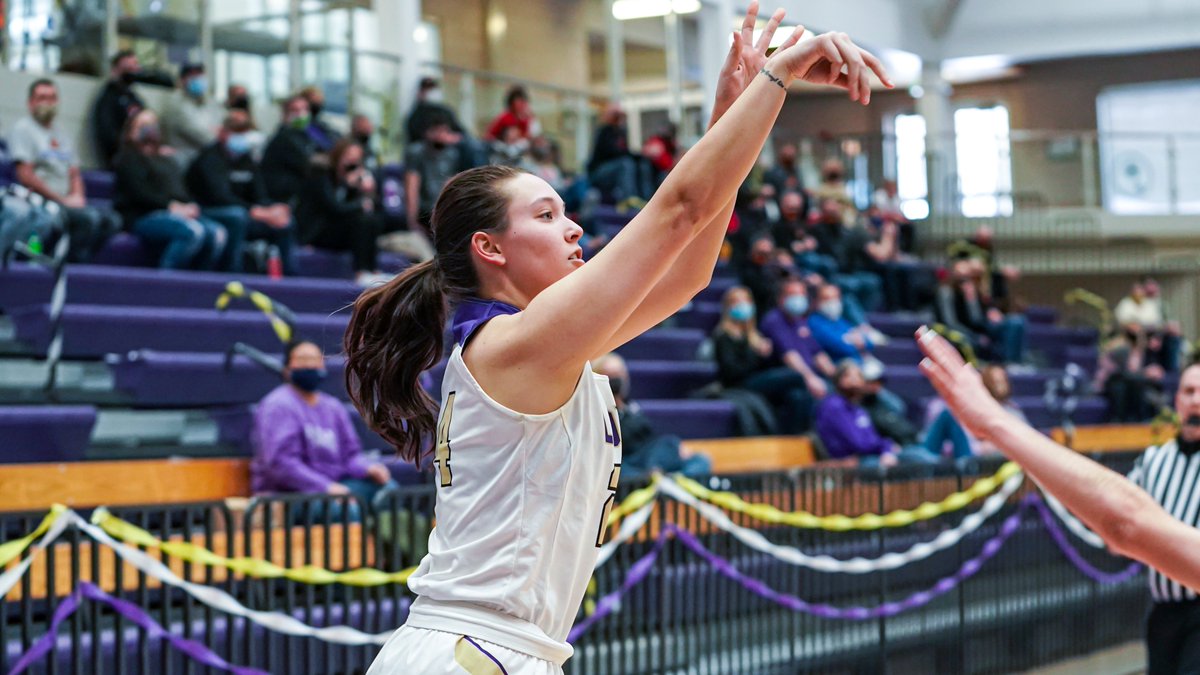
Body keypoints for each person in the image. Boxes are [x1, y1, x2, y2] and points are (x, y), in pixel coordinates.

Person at [349, 9, 890, 672]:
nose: (573, 227)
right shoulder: (512, 345)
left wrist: (735, 106)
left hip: (498, 649)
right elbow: (678, 210)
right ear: (489, 248)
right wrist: (781, 74)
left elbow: (691, 268)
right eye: (547, 215)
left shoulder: (538, 344)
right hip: (470, 650)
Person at [917, 327, 1200, 674]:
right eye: (1189, 391)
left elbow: (1125, 521)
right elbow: (1115, 523)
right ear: (1176, 399)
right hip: (1164, 608)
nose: (1196, 400)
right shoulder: (1157, 458)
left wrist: (993, 421)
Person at [251, 340, 395, 512]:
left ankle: (380, 538)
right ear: (287, 368)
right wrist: (326, 487)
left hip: (335, 485)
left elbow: (350, 454)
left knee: (388, 490)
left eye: (316, 359)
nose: (310, 364)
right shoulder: (278, 405)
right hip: (289, 494)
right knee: (344, 510)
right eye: (303, 359)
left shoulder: (333, 407)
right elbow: (282, 465)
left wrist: (368, 467)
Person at [8, 78, 120, 262]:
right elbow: (25, 175)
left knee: (112, 221)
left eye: (52, 97)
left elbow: (74, 173)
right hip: (40, 202)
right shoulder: (23, 129)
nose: (47, 102)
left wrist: (78, 197)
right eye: (42, 97)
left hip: (65, 201)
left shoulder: (62, 134)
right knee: (88, 220)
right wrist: (62, 200)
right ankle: (67, 268)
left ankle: (80, 264)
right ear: (31, 103)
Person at [186, 110, 297, 275]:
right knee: (236, 216)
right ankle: (233, 273)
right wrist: (255, 211)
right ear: (223, 133)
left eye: (244, 134)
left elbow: (259, 195)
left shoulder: (247, 160)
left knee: (285, 219)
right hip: (208, 211)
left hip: (246, 212)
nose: (241, 138)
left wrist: (273, 209)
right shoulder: (209, 159)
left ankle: (290, 279)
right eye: (236, 133)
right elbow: (219, 197)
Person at [113, 109, 226, 270]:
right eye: (143, 125)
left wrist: (188, 205)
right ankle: (166, 280)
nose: (149, 129)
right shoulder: (128, 158)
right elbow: (140, 194)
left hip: (173, 211)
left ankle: (197, 283)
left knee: (217, 233)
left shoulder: (166, 159)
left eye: (152, 125)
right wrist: (171, 207)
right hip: (143, 214)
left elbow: (179, 189)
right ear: (131, 130)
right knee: (192, 231)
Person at [712, 285, 816, 434]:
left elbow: (764, 368)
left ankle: (793, 439)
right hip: (738, 384)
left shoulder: (753, 335)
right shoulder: (723, 336)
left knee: (798, 397)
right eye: (736, 301)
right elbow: (732, 372)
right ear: (728, 307)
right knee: (796, 376)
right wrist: (757, 355)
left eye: (746, 301)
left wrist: (766, 355)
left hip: (755, 380)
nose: (743, 305)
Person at [593, 353, 711, 481]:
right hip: (628, 463)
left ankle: (667, 483)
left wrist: (673, 446)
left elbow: (650, 439)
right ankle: (665, 483)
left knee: (700, 460)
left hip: (653, 458)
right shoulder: (596, 412)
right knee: (616, 473)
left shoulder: (632, 407)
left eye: (621, 374)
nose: (618, 381)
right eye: (612, 376)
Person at [814, 360, 939, 469]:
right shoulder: (835, 406)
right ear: (839, 380)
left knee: (919, 457)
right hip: (850, 462)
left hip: (869, 456)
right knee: (900, 464)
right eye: (851, 376)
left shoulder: (857, 408)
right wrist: (885, 449)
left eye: (859, 376)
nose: (856, 380)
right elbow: (858, 443)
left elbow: (871, 437)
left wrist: (886, 448)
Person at [295, 139, 386, 286]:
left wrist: (364, 191)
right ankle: (361, 271)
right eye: (348, 157)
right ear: (338, 156)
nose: (351, 162)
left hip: (339, 230)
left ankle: (372, 270)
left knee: (372, 219)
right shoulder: (320, 174)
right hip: (316, 232)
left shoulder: (353, 179)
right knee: (360, 220)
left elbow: (370, 207)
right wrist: (349, 188)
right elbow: (334, 208)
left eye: (356, 159)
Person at [923, 363, 1025, 460]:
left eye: (1003, 381)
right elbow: (964, 439)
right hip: (971, 454)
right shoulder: (978, 407)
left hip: (994, 459)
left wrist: (995, 446)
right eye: (996, 382)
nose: (1001, 386)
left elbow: (1024, 442)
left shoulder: (1014, 410)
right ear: (987, 383)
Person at [758, 277, 835, 400]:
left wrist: (836, 376)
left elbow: (817, 353)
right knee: (801, 395)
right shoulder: (774, 320)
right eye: (793, 294)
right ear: (781, 299)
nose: (798, 299)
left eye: (801, 294)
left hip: (806, 375)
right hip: (786, 377)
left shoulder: (800, 321)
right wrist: (810, 378)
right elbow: (789, 356)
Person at [404, 120, 467, 236]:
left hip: (442, 210)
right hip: (424, 211)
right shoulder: (416, 153)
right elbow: (412, 187)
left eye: (445, 131)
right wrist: (411, 220)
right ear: (428, 133)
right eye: (437, 131)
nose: (441, 135)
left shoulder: (452, 154)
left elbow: (450, 184)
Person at [586, 103, 654, 207]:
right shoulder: (604, 131)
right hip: (598, 173)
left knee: (642, 164)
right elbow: (611, 152)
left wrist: (640, 157)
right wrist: (633, 156)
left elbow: (624, 152)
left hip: (614, 169)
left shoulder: (621, 132)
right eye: (616, 116)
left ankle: (647, 199)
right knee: (626, 164)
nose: (619, 119)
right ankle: (628, 198)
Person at [91, 49, 145, 169]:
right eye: (128, 69)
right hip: (122, 160)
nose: (133, 72)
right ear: (115, 70)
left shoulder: (133, 98)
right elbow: (108, 136)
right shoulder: (108, 98)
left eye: (134, 68)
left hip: (143, 155)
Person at [1115, 276, 1182, 372]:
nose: (1138, 293)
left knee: (1172, 337)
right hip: (1132, 336)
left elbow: (1157, 323)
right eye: (1136, 290)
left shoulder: (1149, 304)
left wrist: (1156, 337)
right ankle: (1138, 369)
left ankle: (1172, 371)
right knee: (1139, 335)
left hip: (1152, 333)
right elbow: (1124, 323)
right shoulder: (1125, 304)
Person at [160, 63, 220, 168]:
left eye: (200, 75)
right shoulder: (175, 104)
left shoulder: (207, 101)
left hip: (204, 159)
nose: (198, 79)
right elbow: (203, 137)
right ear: (182, 80)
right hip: (184, 161)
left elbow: (223, 124)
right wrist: (217, 134)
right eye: (193, 76)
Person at [261, 94, 317, 204]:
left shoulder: (304, 134)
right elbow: (307, 162)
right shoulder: (284, 137)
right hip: (282, 198)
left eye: (305, 109)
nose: (301, 114)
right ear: (285, 114)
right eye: (295, 110)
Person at [808, 283, 879, 364]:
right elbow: (843, 347)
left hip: (857, 365)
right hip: (838, 369)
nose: (832, 302)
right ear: (816, 301)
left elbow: (869, 343)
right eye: (826, 298)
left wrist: (849, 339)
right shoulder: (814, 322)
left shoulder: (840, 321)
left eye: (835, 298)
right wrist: (853, 339)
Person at [406, 77, 468, 144]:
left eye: (432, 88)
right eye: (427, 89)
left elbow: (462, 133)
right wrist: (434, 137)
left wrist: (450, 137)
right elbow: (414, 137)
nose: (430, 92)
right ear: (420, 92)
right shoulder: (417, 115)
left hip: (449, 148)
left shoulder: (446, 111)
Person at [299, 85, 341, 152]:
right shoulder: (300, 124)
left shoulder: (321, 124)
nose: (318, 105)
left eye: (320, 101)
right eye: (314, 101)